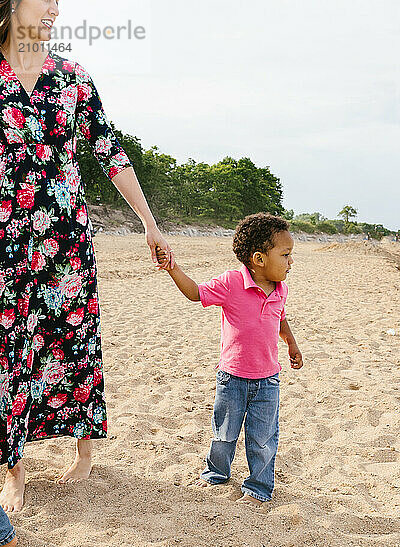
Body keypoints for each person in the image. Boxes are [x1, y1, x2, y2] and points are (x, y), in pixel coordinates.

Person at [0, 0, 173, 512]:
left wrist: (148, 221)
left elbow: (109, 150)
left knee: (72, 339)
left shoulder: (73, 77)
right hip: (7, 240)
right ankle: (14, 469)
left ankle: (84, 453)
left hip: (67, 239)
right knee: (10, 347)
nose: (56, 7)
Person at [156, 213, 303, 507]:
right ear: (259, 258)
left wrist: (291, 343)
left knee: (263, 439)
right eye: (285, 255)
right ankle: (216, 473)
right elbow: (196, 293)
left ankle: (259, 486)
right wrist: (173, 269)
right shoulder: (231, 282)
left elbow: (280, 318)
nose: (290, 262)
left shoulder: (281, 289)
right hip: (232, 378)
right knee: (224, 433)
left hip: (268, 380)